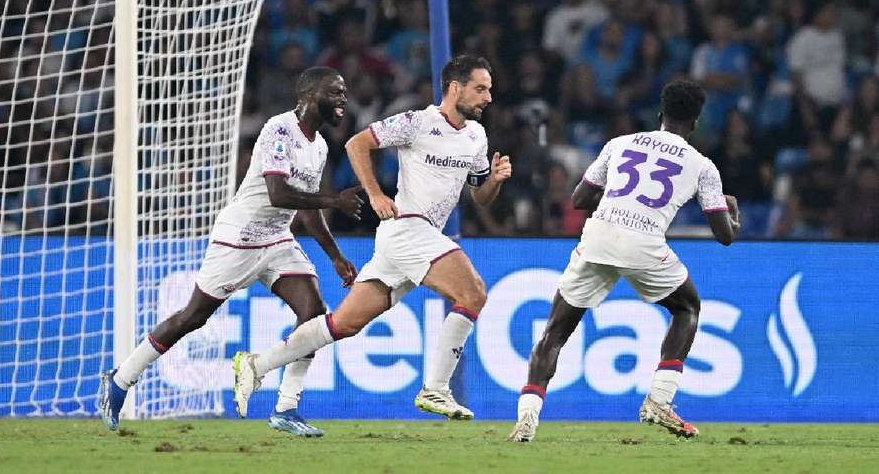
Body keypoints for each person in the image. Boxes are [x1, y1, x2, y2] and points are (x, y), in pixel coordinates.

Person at [232, 54, 512, 420]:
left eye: (489, 89)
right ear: (455, 88)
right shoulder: (417, 122)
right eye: (480, 88)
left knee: (343, 324)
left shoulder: (477, 136)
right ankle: (437, 389)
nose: (488, 97)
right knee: (472, 292)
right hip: (408, 227)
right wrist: (376, 193)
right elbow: (356, 144)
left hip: (411, 239)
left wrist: (493, 180)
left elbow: (479, 196)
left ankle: (257, 364)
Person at [98, 67, 364, 437]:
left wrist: (334, 254)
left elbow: (306, 208)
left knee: (313, 312)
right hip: (238, 238)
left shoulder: (318, 146)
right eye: (335, 92)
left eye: (344, 92)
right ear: (308, 94)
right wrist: (334, 200)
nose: (343, 99)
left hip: (277, 240)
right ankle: (121, 378)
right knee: (192, 317)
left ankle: (286, 408)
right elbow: (278, 194)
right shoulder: (280, 130)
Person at [507, 79, 740, 442]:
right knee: (687, 308)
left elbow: (579, 199)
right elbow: (725, 235)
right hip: (644, 241)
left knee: (555, 331)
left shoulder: (621, 144)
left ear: (660, 114)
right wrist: (732, 211)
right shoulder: (702, 166)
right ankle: (659, 400)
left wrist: (618, 204)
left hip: (599, 233)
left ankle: (527, 419)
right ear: (695, 122)